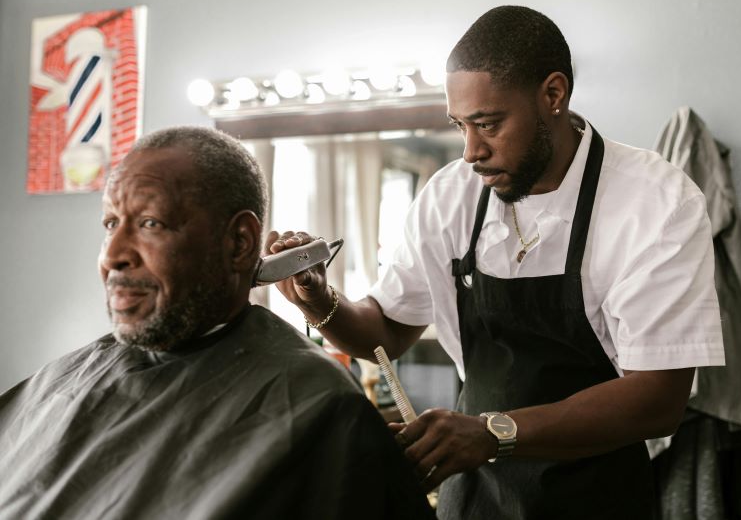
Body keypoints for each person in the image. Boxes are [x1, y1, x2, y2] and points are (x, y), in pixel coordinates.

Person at [268, 6, 725, 519]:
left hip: (598, 497)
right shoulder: (450, 196)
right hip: (474, 497)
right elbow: (386, 332)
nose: (469, 151)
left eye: (488, 123)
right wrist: (317, 298)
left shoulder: (654, 200)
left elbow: (658, 399)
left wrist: (491, 432)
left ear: (553, 95)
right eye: (460, 125)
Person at [0, 127, 434, 519]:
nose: (113, 254)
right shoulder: (64, 381)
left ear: (241, 243)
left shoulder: (313, 404)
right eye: (111, 223)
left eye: (150, 223)